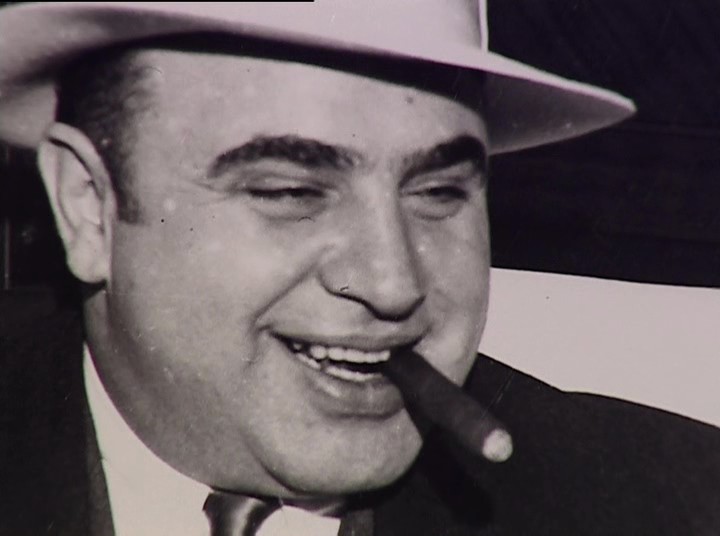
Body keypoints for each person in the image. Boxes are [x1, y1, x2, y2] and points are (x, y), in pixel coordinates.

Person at [0, 2, 718, 535]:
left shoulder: (674, 505)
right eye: (290, 192)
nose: (393, 283)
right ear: (88, 206)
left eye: (439, 193)